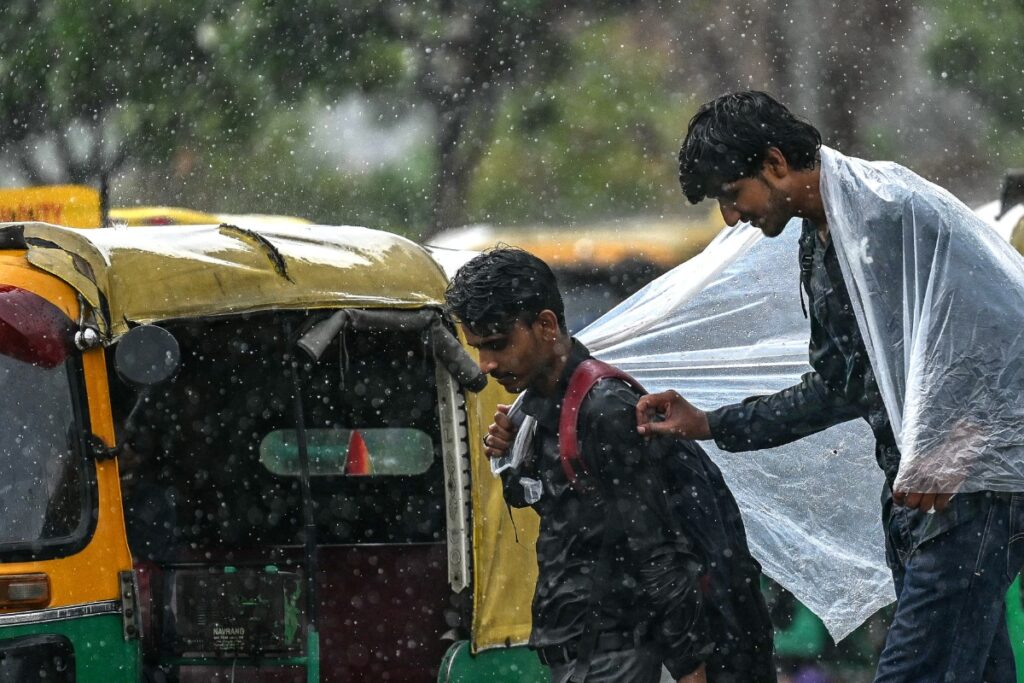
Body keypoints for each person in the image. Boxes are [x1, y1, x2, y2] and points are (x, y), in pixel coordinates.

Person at [623, 91, 1023, 682]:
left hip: (969, 501)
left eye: (733, 195)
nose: (731, 217)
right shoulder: (820, 238)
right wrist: (709, 422)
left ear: (777, 162)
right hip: (918, 505)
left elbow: (1008, 332)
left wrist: (955, 445)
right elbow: (840, 387)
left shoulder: (893, 212)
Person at [446, 248, 775, 683]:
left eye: (498, 344)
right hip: (580, 650)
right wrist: (510, 457)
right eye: (478, 349)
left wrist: (689, 667)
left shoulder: (603, 407)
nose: (486, 365)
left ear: (545, 325)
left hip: (616, 652)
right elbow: (558, 508)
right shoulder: (538, 402)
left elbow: (657, 546)